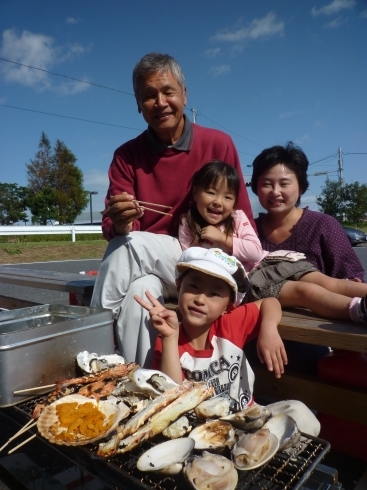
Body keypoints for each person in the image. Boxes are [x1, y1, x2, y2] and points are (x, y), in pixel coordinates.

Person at [91, 53, 255, 368]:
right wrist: (121, 221)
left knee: (133, 243)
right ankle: (144, 385)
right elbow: (114, 226)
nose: (160, 102)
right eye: (148, 96)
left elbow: (242, 213)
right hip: (158, 268)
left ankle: (93, 341)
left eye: (168, 91)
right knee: (141, 294)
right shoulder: (127, 156)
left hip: (208, 260)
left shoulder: (218, 144)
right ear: (138, 105)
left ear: (184, 94)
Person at [179, 160, 367, 323]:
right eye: (211, 192)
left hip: (272, 261)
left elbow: (254, 251)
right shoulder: (188, 223)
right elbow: (189, 260)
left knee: (327, 282)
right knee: (305, 291)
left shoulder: (237, 218)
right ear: (195, 193)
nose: (218, 202)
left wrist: (223, 239)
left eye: (227, 197)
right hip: (251, 280)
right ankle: (359, 310)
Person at [249, 142, 367, 373]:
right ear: (255, 187)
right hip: (257, 337)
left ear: (301, 186)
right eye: (266, 184)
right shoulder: (246, 230)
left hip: (312, 340)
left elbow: (350, 277)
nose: (275, 192)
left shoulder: (323, 225)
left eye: (284, 183)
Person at [134, 247, 287, 410]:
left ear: (228, 306)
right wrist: (170, 337)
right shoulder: (167, 341)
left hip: (247, 416)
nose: (200, 299)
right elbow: (171, 397)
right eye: (194, 286)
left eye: (214, 293)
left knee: (299, 411)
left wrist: (269, 329)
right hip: (202, 430)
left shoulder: (230, 324)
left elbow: (270, 302)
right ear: (179, 287)